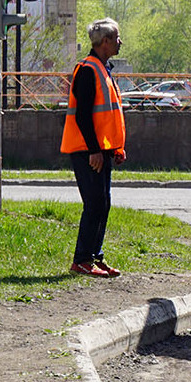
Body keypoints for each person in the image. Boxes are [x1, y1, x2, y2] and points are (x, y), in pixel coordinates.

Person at [61, 19, 126, 278]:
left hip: (100, 150)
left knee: (104, 204)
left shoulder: (103, 68)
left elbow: (107, 116)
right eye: (117, 37)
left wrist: (114, 148)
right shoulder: (88, 69)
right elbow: (83, 116)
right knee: (94, 203)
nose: (120, 42)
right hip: (87, 151)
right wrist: (94, 151)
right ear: (105, 41)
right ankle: (81, 260)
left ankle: (95, 257)